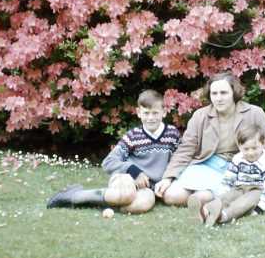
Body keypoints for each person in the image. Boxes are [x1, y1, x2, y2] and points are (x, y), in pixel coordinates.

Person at [153, 71, 265, 216]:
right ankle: (206, 198)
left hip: (238, 169)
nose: (218, 98)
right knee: (171, 196)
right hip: (207, 165)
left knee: (204, 196)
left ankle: (206, 200)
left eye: (224, 93)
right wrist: (168, 178)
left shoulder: (254, 113)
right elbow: (185, 149)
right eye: (214, 93)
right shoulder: (200, 116)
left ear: (234, 93)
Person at [46, 89, 180, 214]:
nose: (151, 118)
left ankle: (106, 203)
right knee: (125, 195)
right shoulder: (133, 136)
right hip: (127, 178)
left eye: (155, 113)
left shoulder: (172, 134)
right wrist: (133, 170)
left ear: (164, 112)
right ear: (138, 112)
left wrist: (169, 180)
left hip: (148, 188)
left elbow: (179, 160)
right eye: (146, 113)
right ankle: (74, 196)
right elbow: (108, 162)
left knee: (142, 204)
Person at [200, 124, 265, 226]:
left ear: (263, 144)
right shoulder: (237, 158)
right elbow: (228, 179)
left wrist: (260, 208)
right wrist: (221, 196)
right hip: (241, 188)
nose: (250, 153)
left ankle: (223, 216)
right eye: (246, 149)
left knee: (244, 202)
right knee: (229, 196)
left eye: (254, 148)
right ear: (239, 146)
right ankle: (206, 211)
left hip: (260, 191)